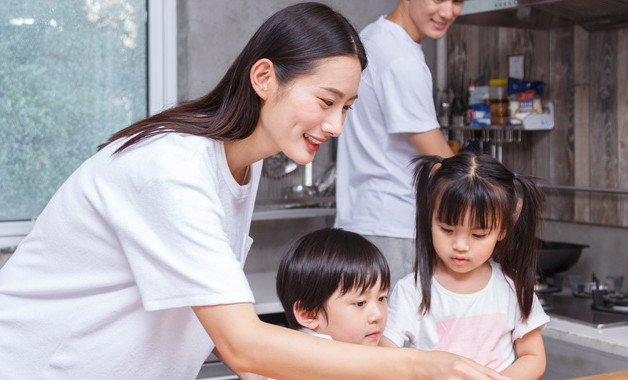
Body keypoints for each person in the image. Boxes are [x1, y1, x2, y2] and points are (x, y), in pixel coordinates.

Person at [0, 3, 507, 379]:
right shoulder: (170, 166)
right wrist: (422, 367)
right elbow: (241, 343)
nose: (336, 125)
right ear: (264, 77)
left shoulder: (244, 166)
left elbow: (213, 324)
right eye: (326, 100)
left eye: (348, 107)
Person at [380, 152, 550, 380]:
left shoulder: (513, 286)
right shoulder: (411, 290)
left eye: (478, 234)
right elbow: (384, 354)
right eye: (447, 230)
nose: (460, 246)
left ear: (502, 230)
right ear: (429, 220)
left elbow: (533, 357)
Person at [334, 0, 462, 287]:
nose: (448, 11)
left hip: (365, 219)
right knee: (395, 330)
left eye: (458, 1)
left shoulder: (371, 37)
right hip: (395, 226)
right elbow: (442, 160)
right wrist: (499, 199)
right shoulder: (401, 59)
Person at [276, 228, 390, 346]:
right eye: (360, 303)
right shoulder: (317, 359)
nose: (378, 315)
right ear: (309, 314)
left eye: (381, 298)